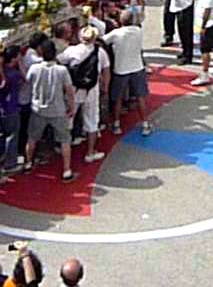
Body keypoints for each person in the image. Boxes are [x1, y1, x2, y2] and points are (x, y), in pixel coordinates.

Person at [24, 39, 77, 182]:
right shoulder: (62, 70)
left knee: (32, 137)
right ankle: (66, 170)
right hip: (58, 109)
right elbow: (69, 90)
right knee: (65, 140)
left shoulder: (34, 68)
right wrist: (71, 106)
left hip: (38, 109)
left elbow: (27, 80)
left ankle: (28, 163)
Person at [58, 27, 110, 165]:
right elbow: (106, 70)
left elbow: (60, 61)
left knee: (68, 119)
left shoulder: (72, 51)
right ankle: (90, 152)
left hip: (73, 91)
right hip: (92, 91)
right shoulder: (101, 52)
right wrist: (105, 87)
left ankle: (65, 149)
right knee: (92, 120)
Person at [106, 10, 153, 137]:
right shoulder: (138, 32)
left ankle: (116, 124)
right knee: (140, 97)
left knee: (118, 98)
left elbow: (103, 41)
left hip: (120, 69)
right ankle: (145, 123)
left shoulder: (116, 33)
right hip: (137, 67)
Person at [166, 0, 197, 65]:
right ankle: (184, 52)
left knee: (186, 33)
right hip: (180, 7)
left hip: (185, 8)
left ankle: (188, 56)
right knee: (181, 32)